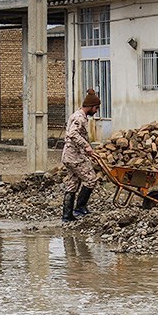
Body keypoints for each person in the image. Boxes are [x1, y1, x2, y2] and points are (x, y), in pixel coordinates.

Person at [61, 88, 101, 222]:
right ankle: (80, 208)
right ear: (90, 107)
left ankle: (67, 216)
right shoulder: (79, 118)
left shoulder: (78, 115)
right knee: (91, 179)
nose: (96, 111)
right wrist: (87, 146)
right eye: (96, 108)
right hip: (74, 156)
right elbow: (73, 133)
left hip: (68, 156)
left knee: (72, 183)